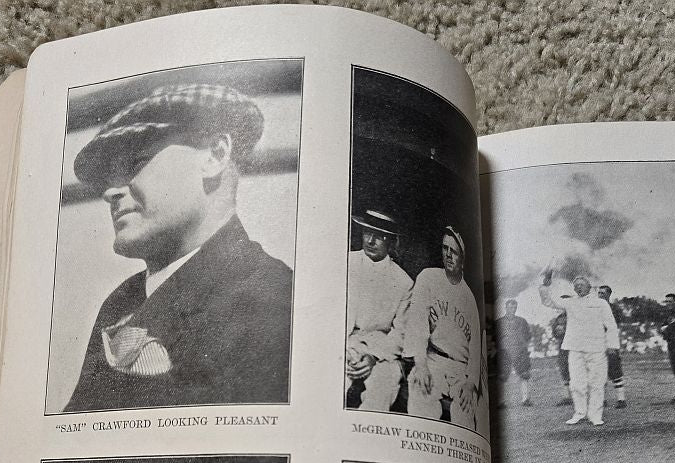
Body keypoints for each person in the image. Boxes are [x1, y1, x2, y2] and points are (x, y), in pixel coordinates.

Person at [64, 83, 293, 413]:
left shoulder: (272, 297)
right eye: (108, 177)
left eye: (136, 162)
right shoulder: (121, 300)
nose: (109, 192)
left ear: (215, 156)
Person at [404, 228, 486, 432]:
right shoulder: (429, 277)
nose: (448, 255)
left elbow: (476, 349)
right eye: (445, 248)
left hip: (462, 369)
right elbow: (417, 321)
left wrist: (471, 383)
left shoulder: (470, 298)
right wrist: (421, 364)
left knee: (466, 412)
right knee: (419, 387)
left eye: (454, 251)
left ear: (463, 258)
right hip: (433, 358)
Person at [345, 209, 413, 411]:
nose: (371, 240)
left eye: (380, 236)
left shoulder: (404, 282)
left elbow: (401, 333)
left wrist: (373, 356)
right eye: (367, 232)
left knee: (383, 386)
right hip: (340, 344)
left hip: (380, 350)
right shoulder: (345, 263)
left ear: (391, 242)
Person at [539, 270, 619, 427]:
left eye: (582, 285)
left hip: (597, 348)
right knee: (576, 384)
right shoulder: (570, 302)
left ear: (589, 287)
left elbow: (611, 325)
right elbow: (548, 302)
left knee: (597, 383)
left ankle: (595, 416)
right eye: (576, 286)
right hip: (575, 348)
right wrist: (545, 285)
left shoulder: (601, 303)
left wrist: (612, 345)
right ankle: (579, 413)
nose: (579, 288)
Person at [492, 298, 532, 407]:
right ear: (506, 308)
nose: (512, 309)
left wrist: (523, 345)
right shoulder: (499, 322)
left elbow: (528, 335)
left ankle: (525, 399)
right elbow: (493, 337)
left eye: (514, 307)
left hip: (520, 350)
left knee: (524, 374)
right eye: (510, 307)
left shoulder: (522, 321)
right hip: (504, 351)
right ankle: (501, 401)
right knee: (502, 375)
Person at [597, 285, 627, 408]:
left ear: (609, 295)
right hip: (597, 344)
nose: (600, 295)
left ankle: (621, 399)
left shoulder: (614, 309)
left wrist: (613, 345)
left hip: (610, 342)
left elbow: (614, 327)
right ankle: (601, 399)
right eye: (598, 293)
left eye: (603, 293)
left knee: (615, 371)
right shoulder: (595, 308)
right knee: (599, 372)